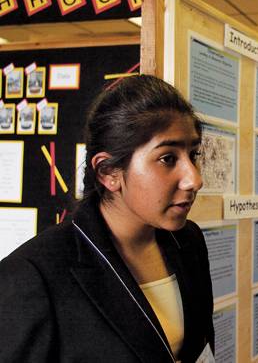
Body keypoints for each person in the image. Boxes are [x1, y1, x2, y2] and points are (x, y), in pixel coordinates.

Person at [0, 75, 214, 362]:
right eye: (168, 158)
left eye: (193, 154)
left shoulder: (188, 241)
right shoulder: (32, 276)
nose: (194, 179)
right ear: (108, 172)